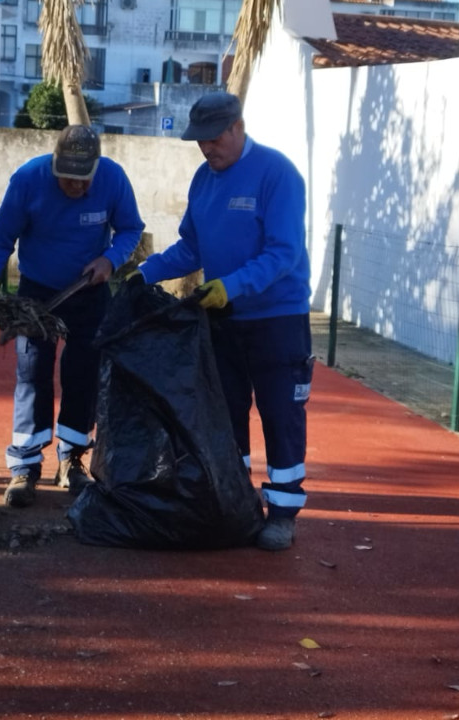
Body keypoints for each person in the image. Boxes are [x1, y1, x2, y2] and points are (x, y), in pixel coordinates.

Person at [133, 92, 312, 551]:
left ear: (237, 127)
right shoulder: (203, 181)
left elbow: (283, 252)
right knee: (226, 413)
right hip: (223, 317)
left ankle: (284, 513)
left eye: (214, 139)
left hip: (276, 319)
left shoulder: (277, 175)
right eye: (200, 142)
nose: (207, 149)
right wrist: (145, 273)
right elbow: (190, 247)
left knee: (280, 414)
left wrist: (231, 285)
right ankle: (236, 501)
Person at [0, 124, 145, 508]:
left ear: (96, 169)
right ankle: (25, 466)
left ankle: (72, 459)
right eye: (68, 178)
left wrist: (110, 259)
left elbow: (131, 229)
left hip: (90, 291)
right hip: (37, 293)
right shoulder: (28, 180)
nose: (77, 187)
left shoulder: (113, 179)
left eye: (84, 180)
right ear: (54, 165)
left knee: (82, 373)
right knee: (32, 372)